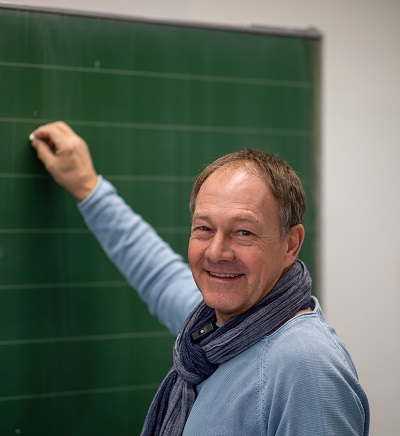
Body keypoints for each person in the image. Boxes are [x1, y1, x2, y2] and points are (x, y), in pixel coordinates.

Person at [30, 122, 370, 436]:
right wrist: (89, 188)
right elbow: (160, 275)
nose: (217, 252)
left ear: (291, 244)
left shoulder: (304, 364)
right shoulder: (215, 329)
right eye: (204, 228)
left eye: (244, 232)